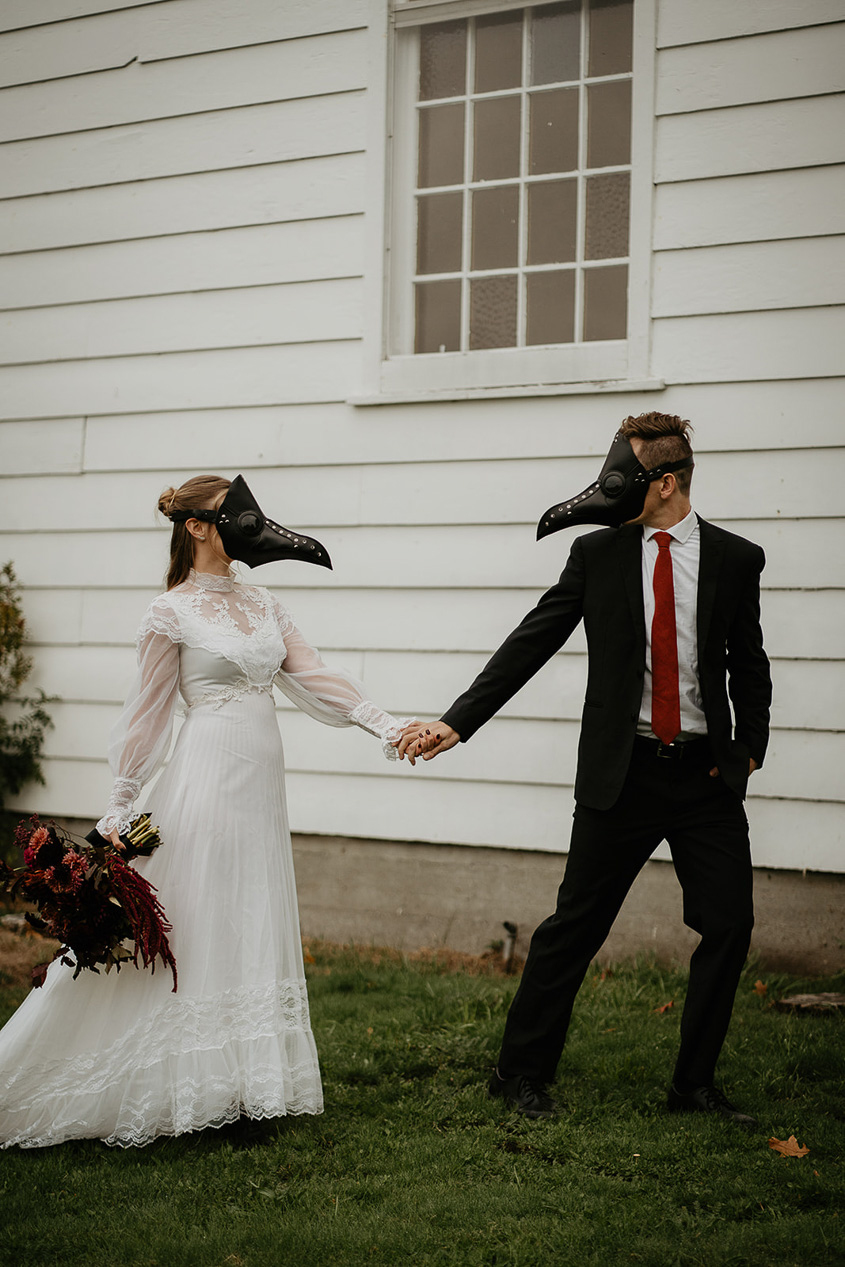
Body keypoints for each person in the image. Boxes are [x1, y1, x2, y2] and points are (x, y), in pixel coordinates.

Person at [0, 474, 412, 1149]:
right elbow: (147, 713)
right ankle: (182, 1086)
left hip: (260, 782)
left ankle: (242, 1086)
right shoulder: (172, 612)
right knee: (199, 916)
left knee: (250, 910)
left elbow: (314, 676)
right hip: (206, 776)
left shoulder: (264, 602)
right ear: (196, 526)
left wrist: (388, 725)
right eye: (232, 515)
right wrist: (120, 806)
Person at [397, 413, 771, 1127]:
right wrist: (456, 721)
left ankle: (692, 1089)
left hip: (704, 780)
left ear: (663, 482)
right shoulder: (597, 555)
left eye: (623, 475)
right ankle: (519, 1074)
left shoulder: (735, 558)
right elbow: (530, 641)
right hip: (620, 771)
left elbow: (749, 666)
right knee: (573, 926)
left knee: (729, 924)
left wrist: (746, 749)